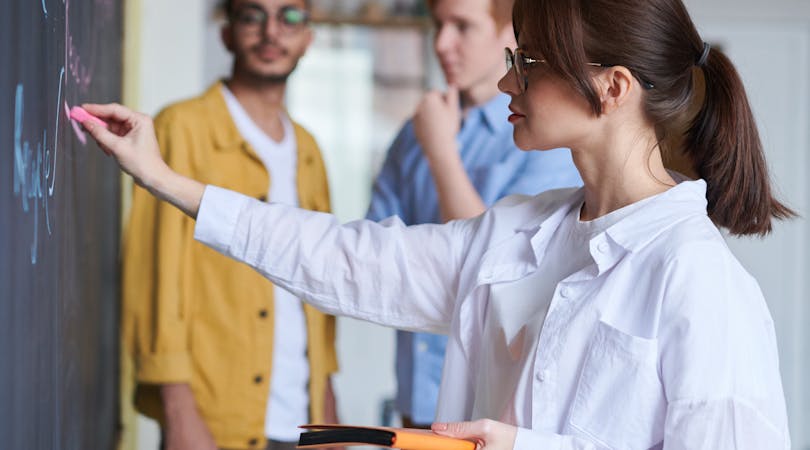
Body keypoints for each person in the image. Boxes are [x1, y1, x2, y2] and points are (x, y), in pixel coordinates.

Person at [84, 0, 793, 447]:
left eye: (529, 63)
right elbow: (347, 258)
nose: (509, 81)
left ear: (612, 88)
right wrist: (170, 181)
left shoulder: (701, 284)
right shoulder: (518, 232)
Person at [120, 1, 339, 449]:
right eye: (253, 16)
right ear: (226, 33)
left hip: (302, 423)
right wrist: (179, 413)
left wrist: (329, 408)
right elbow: (153, 277)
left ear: (309, 38)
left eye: (290, 17)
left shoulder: (309, 151)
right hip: (214, 418)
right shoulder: (182, 128)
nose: (272, 33)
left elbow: (319, 290)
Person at [367, 0, 581, 429]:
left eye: (462, 27)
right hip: (413, 405)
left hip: (492, 413)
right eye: (438, 26)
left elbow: (504, 266)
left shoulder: (546, 136)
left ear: (509, 35)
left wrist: (442, 153)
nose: (442, 43)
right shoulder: (415, 132)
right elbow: (378, 253)